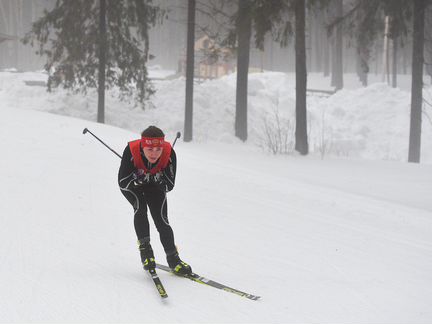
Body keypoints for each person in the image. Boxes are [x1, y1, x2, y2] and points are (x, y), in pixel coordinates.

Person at [118, 125, 192, 275]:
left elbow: (169, 185)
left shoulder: (169, 153)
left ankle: (174, 259)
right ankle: (146, 253)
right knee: (140, 208)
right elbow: (122, 181)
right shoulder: (131, 150)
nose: (154, 153)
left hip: (155, 187)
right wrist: (138, 180)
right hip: (133, 187)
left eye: (158, 149)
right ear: (142, 146)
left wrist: (156, 179)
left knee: (161, 220)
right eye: (150, 149)